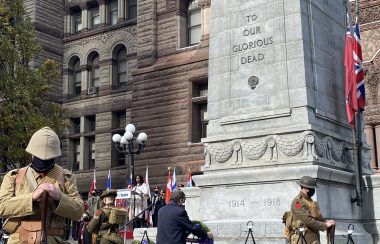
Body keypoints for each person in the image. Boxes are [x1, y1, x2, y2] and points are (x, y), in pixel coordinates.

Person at [0, 126, 83, 243]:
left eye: (48, 158)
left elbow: (78, 212)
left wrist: (60, 197)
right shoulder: (14, 176)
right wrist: (31, 197)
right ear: (32, 154)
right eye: (39, 157)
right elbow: (2, 207)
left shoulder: (66, 178)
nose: (43, 161)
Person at [288, 176, 335, 244]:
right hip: (303, 239)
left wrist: (326, 222)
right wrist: (325, 226)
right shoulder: (298, 202)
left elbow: (315, 218)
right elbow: (307, 220)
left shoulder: (310, 201)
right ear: (306, 188)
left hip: (313, 238)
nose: (313, 190)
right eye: (312, 188)